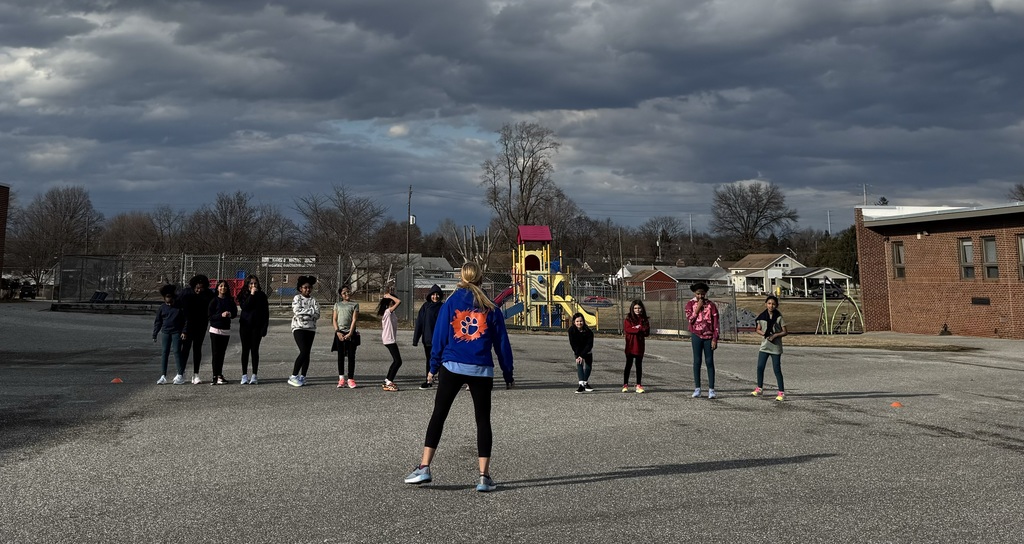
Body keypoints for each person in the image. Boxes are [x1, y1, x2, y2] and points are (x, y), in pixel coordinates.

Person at [403, 262, 514, 492]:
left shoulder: (452, 302)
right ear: (481, 278)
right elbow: (502, 343)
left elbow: (440, 337)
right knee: (483, 421)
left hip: (452, 366)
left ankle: (424, 466)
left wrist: (433, 366)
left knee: (439, 415)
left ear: (461, 277)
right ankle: (484, 476)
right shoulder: (490, 306)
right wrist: (507, 371)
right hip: (481, 369)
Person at [685, 282, 720, 399]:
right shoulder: (690, 304)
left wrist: (715, 338)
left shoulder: (711, 305)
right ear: (695, 294)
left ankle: (711, 389)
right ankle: (697, 388)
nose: (700, 296)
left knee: (709, 361)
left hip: (709, 337)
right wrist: (697, 309)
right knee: (697, 361)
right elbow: (690, 320)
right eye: (698, 294)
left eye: (703, 294)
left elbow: (716, 323)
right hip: (696, 335)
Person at [178, 274, 215, 384]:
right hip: (188, 325)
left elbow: (213, 307)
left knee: (197, 349)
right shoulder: (186, 293)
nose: (198, 290)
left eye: (201, 288)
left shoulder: (208, 294)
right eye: (197, 288)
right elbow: (178, 305)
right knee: (185, 349)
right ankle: (181, 373)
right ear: (193, 286)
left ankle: (196, 374)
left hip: (201, 325)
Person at [752, 295, 788, 401]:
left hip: (775, 347)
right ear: (765, 304)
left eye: (773, 304)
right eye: (769, 303)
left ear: (776, 305)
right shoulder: (762, 316)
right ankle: (759, 388)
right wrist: (765, 334)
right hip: (764, 346)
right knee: (760, 367)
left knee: (776, 369)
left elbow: (785, 331)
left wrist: (775, 335)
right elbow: (757, 329)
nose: (771, 306)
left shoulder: (779, 317)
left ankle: (781, 392)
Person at [237, 275, 269, 385]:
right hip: (245, 326)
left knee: (255, 350)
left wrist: (264, 327)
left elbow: (266, 312)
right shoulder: (243, 295)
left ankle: (254, 375)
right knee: (245, 350)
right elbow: (245, 307)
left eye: (255, 283)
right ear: (247, 285)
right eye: (251, 283)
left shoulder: (262, 296)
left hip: (257, 327)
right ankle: (244, 375)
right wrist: (251, 294)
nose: (253, 285)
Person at [288, 275, 320, 387]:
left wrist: (306, 312)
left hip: (311, 329)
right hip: (299, 328)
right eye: (305, 287)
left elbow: (317, 314)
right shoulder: (297, 298)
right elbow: (297, 311)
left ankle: (303, 376)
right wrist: (310, 312)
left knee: (307, 353)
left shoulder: (313, 300)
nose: (307, 289)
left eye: (309, 287)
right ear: (300, 288)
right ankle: (293, 376)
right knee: (304, 351)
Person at [153, 284, 187, 385]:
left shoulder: (179, 307)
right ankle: (163, 375)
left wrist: (184, 331)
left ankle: (180, 374)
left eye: (170, 297)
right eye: (166, 297)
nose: (168, 299)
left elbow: (185, 320)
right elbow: (158, 321)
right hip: (165, 332)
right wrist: (155, 333)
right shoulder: (162, 308)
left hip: (176, 332)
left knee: (176, 351)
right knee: (164, 353)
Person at [412, 285, 444, 390]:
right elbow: (419, 323)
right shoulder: (425, 307)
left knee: (441, 360)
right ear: (430, 295)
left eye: (437, 295)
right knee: (429, 360)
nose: (435, 297)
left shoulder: (443, 307)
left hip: (440, 339)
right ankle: (429, 380)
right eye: (433, 294)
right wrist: (416, 339)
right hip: (428, 339)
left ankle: (442, 380)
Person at [208, 280, 237, 385]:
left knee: (222, 353)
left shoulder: (230, 301)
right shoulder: (214, 301)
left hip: (225, 330)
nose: (223, 288)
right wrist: (221, 315)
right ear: (217, 288)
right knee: (215, 353)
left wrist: (230, 314)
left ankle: (220, 374)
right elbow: (210, 316)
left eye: (225, 286)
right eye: (221, 286)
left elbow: (234, 313)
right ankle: (214, 375)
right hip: (215, 330)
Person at [331, 285, 360, 389]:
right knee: (340, 356)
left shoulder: (355, 305)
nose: (347, 294)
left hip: (350, 333)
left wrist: (350, 333)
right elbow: (334, 319)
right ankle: (341, 378)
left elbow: (354, 320)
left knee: (351, 356)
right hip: (340, 333)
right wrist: (337, 331)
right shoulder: (337, 305)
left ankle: (351, 378)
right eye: (344, 293)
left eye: (348, 292)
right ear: (341, 295)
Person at [622, 300, 650, 393]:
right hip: (630, 345)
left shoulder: (644, 319)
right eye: (635, 308)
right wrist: (638, 329)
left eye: (639, 308)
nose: (637, 310)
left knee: (639, 365)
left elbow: (646, 332)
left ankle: (639, 384)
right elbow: (628, 329)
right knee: (628, 365)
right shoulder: (628, 319)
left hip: (640, 346)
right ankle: (625, 384)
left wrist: (639, 328)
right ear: (632, 309)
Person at [379, 290, 404, 391]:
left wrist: (390, 296)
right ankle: (389, 380)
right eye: (392, 301)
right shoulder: (387, 312)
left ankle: (387, 380)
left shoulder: (391, 313)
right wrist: (389, 296)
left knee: (397, 361)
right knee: (398, 361)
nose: (394, 303)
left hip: (390, 339)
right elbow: (399, 301)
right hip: (389, 339)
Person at [568, 312, 594, 393]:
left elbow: (589, 345)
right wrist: (578, 355)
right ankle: (581, 385)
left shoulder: (589, 332)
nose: (579, 323)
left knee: (588, 366)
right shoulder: (571, 330)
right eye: (577, 321)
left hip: (587, 350)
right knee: (579, 364)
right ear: (574, 322)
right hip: (578, 350)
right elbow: (573, 343)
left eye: (581, 321)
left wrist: (582, 355)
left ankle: (585, 382)